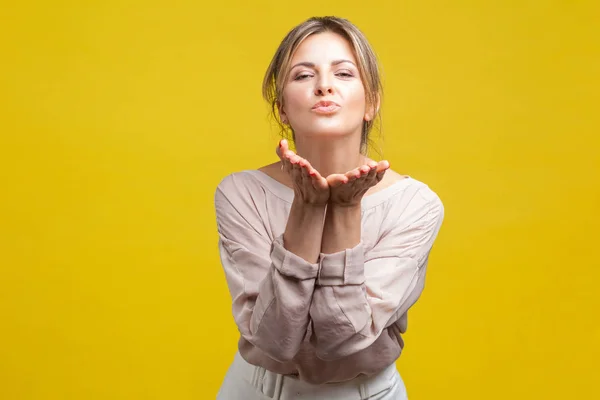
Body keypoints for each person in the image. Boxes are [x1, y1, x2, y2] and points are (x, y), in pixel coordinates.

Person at [214, 16, 444, 400]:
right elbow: (275, 341)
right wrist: (307, 207)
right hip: (253, 390)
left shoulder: (415, 204)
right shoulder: (241, 193)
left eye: (343, 73)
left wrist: (343, 210)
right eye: (303, 76)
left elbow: (343, 338)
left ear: (371, 102)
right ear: (282, 108)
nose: (324, 86)